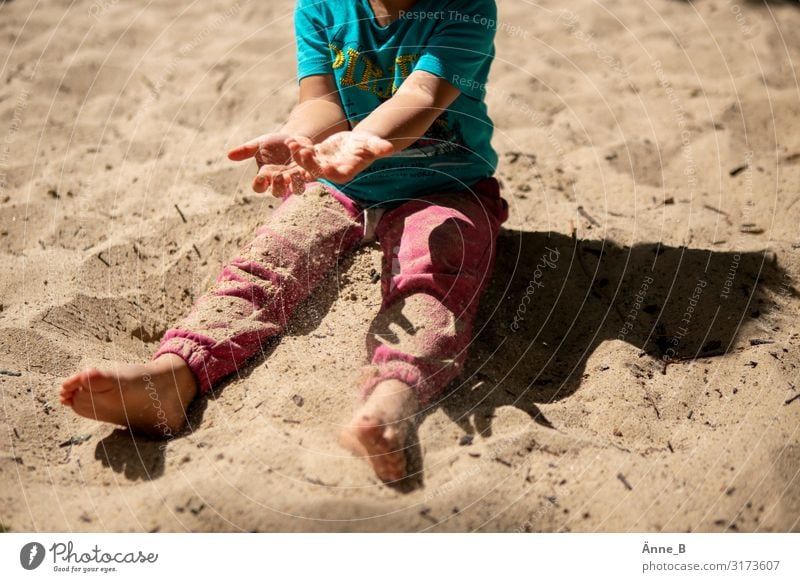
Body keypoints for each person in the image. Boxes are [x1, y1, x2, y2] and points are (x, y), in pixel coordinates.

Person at [60, 0, 507, 483]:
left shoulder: (465, 7)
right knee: (268, 260)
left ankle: (392, 399)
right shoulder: (321, 7)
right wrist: (298, 137)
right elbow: (322, 102)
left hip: (446, 187)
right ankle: (174, 375)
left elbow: (421, 94)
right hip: (340, 184)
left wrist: (362, 140)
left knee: (436, 273)